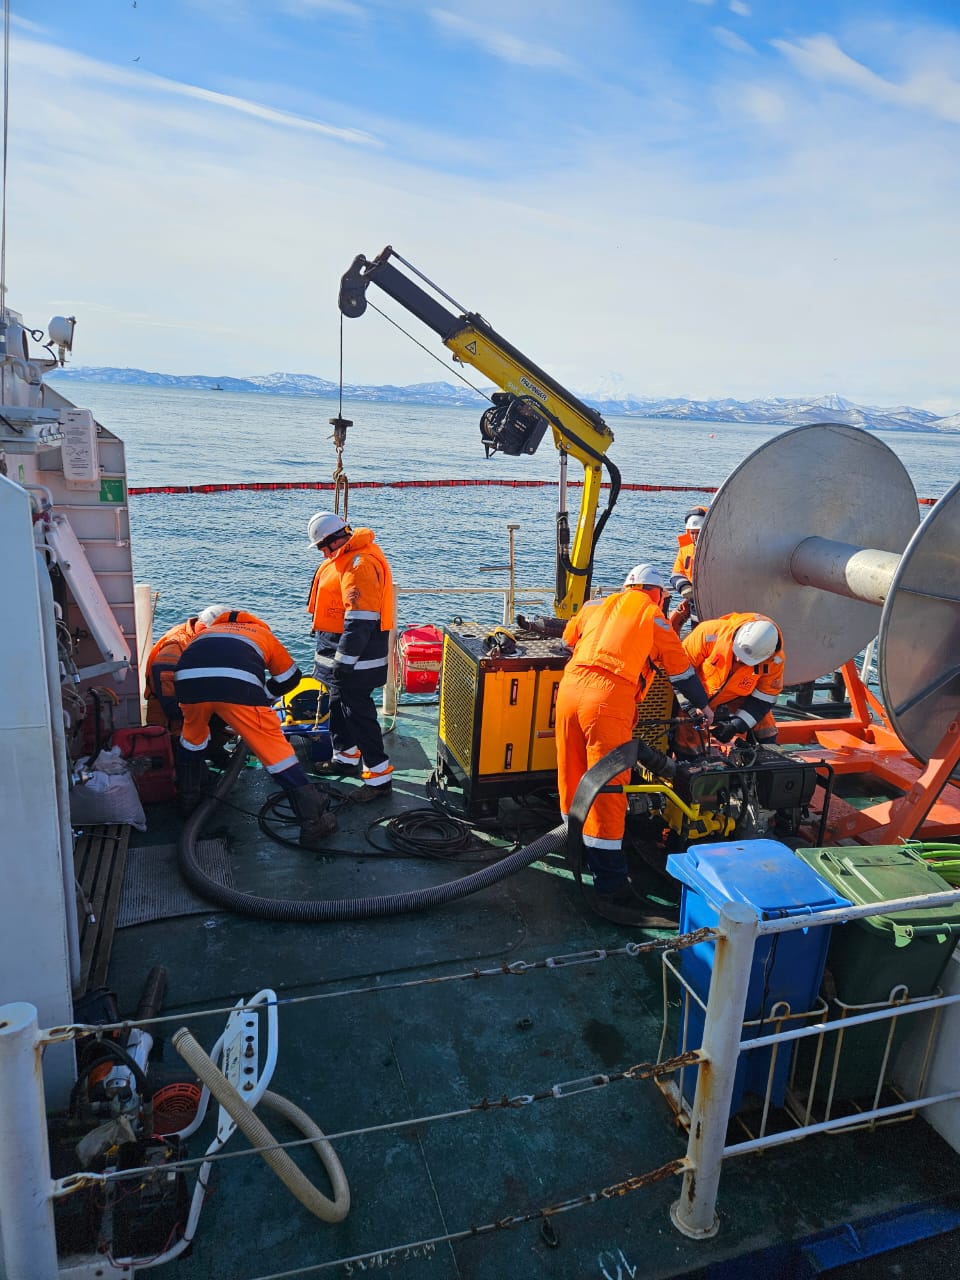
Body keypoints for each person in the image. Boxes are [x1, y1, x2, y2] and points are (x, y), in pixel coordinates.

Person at [555, 563, 712, 911]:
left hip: (568, 691)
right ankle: (610, 884)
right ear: (657, 594)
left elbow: (567, 641)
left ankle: (573, 849)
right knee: (608, 788)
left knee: (572, 774)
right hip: (607, 701)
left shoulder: (595, 605)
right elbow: (680, 671)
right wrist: (703, 707)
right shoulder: (652, 615)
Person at [174, 607, 336, 848]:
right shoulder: (262, 633)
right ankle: (313, 821)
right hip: (238, 689)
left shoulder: (206, 633)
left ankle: (188, 801)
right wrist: (266, 695)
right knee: (276, 753)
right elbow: (291, 677)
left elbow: (201, 668)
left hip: (187, 682)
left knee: (192, 738)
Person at [306, 511, 396, 802]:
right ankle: (344, 757)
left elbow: (360, 621)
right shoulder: (344, 558)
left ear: (334, 541)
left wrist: (344, 663)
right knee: (338, 705)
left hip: (356, 661)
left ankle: (379, 778)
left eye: (322, 547)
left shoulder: (360, 565)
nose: (322, 554)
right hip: (340, 655)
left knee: (358, 714)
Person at [674, 613, 785, 756]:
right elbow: (678, 672)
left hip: (739, 693)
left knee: (765, 724)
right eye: (737, 653)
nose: (738, 659)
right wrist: (693, 706)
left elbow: (764, 698)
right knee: (690, 726)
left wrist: (735, 725)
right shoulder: (708, 633)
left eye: (746, 660)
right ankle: (690, 761)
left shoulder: (775, 660)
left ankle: (769, 757)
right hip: (697, 691)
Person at [144, 606, 233, 764]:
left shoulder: (199, 642)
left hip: (190, 712)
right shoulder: (174, 649)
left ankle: (214, 752)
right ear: (205, 628)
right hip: (171, 726)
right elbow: (171, 706)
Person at [669, 505, 708, 631]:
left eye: (698, 532)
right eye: (692, 533)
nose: (695, 537)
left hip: (715, 604)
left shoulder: (719, 547)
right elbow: (676, 573)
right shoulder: (685, 549)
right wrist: (684, 586)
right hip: (695, 605)